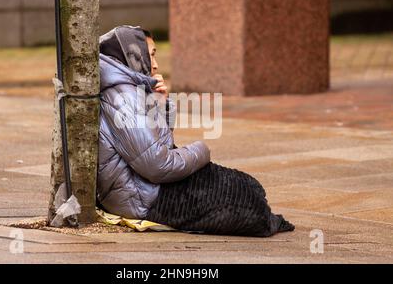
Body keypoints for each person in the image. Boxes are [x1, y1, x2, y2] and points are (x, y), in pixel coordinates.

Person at [97, 25, 294, 236]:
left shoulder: (127, 87)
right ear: (132, 56)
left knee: (247, 187)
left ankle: (267, 219)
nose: (155, 65)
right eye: (149, 56)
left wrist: (159, 104)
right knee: (243, 195)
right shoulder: (124, 96)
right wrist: (201, 150)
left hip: (144, 187)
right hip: (142, 197)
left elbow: (156, 144)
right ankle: (267, 221)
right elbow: (157, 164)